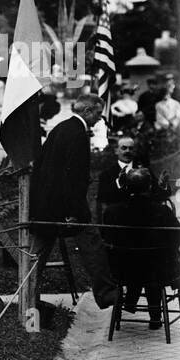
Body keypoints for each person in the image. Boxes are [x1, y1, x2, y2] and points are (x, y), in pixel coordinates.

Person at [29, 95, 119, 310]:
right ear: (87, 111)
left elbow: (43, 168)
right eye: (98, 113)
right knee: (92, 244)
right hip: (64, 207)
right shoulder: (77, 133)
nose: (100, 119)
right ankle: (109, 296)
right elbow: (74, 178)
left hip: (46, 204)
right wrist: (74, 212)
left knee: (36, 256)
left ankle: (28, 298)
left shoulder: (60, 128)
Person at [103, 167, 180, 329]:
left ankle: (130, 302)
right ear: (150, 187)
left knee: (141, 263)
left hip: (123, 271)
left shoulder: (112, 212)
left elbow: (105, 237)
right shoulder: (162, 211)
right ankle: (155, 316)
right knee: (153, 265)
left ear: (126, 187)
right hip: (159, 272)